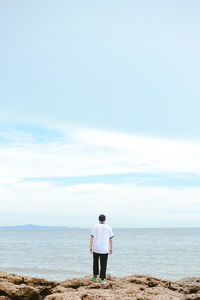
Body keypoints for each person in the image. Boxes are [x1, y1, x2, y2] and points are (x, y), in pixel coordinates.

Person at [90, 214, 114, 285]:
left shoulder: (95, 226)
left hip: (96, 247)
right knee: (103, 264)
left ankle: (95, 277)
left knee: (95, 262)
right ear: (105, 220)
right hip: (104, 248)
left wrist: (90, 247)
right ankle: (102, 279)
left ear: (98, 219)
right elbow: (110, 239)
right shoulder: (108, 227)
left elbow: (92, 237)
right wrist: (111, 248)